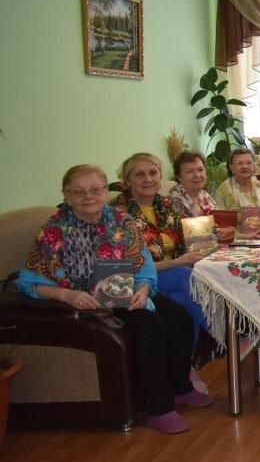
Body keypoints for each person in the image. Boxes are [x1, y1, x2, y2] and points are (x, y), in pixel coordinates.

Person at [20, 165, 213, 433]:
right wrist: (69, 295)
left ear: (105, 190)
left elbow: (144, 267)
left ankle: (181, 387)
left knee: (179, 318)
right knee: (150, 325)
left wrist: (143, 289)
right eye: (79, 191)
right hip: (85, 301)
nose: (88, 196)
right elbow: (29, 282)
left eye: (95, 189)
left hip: (124, 289)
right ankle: (159, 408)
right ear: (66, 194)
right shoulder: (54, 229)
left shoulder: (121, 220)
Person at [110, 153, 211, 350]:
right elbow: (130, 267)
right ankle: (226, 336)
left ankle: (188, 363)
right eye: (140, 174)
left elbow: (199, 239)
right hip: (137, 278)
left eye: (153, 173)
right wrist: (178, 262)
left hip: (171, 277)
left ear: (160, 177)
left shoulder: (168, 204)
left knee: (181, 301)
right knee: (184, 274)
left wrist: (213, 236)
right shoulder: (117, 212)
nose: (148, 179)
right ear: (127, 181)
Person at [169, 150, 215, 217]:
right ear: (178, 177)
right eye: (190, 171)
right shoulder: (174, 202)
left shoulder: (204, 195)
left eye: (200, 170)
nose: (197, 175)